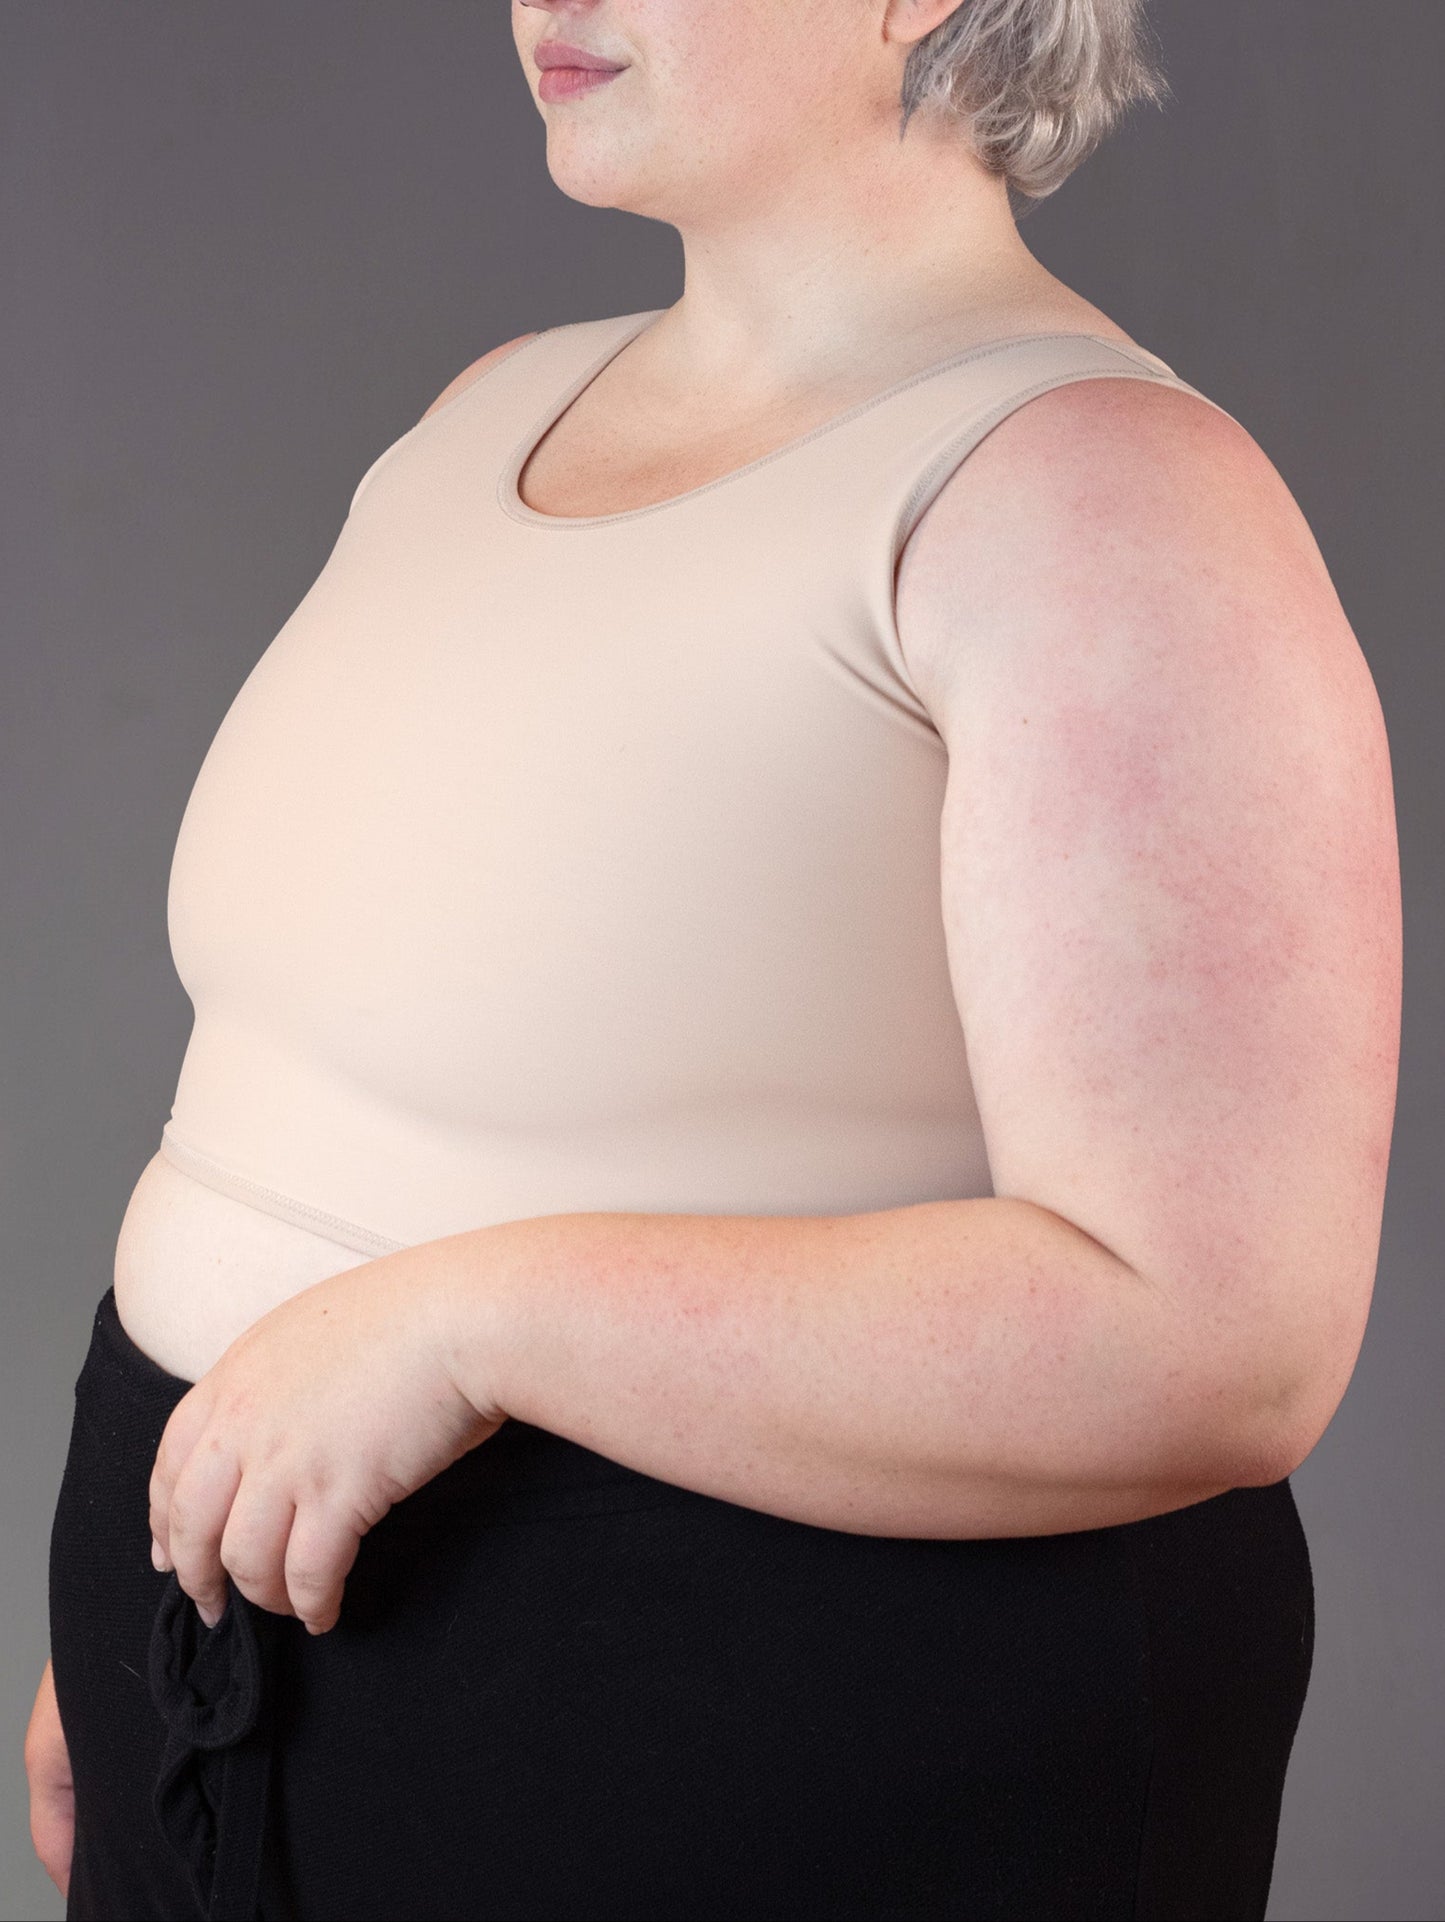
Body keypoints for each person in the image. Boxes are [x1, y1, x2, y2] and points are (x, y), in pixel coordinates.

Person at [29, 1, 1400, 1917]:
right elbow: (302, 1064)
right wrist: (141, 1599)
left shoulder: (1100, 498)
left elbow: (1216, 1340)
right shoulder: (488, 408)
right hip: (237, 1656)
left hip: (741, 1731)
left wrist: (470, 1322)